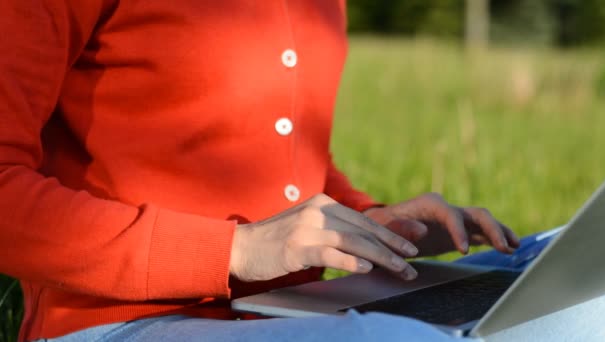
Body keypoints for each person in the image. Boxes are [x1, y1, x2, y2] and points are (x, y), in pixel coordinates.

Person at [0, 1, 560, 341]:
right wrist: (236, 250)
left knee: (571, 285)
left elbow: (294, 157)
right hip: (125, 325)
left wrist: (371, 223)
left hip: (303, 313)